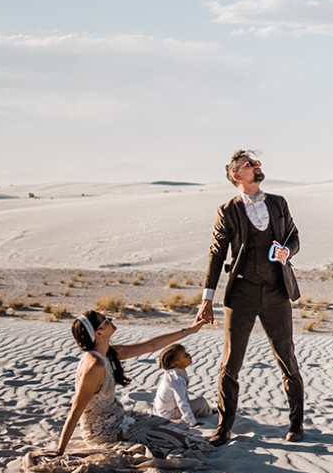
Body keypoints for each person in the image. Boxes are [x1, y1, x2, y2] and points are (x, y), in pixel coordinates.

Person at [198, 148, 305, 445]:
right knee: (230, 363)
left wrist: (287, 251)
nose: (257, 166)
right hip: (242, 293)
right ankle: (223, 427)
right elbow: (216, 255)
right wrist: (207, 299)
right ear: (237, 174)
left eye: (257, 162)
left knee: (287, 357)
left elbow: (294, 236)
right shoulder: (228, 210)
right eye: (249, 164)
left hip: (276, 292)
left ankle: (296, 424)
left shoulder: (278, 203)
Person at [56, 309, 209, 454]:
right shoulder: (95, 366)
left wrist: (190, 330)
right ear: (99, 333)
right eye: (106, 321)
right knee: (184, 443)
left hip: (120, 417)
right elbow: (76, 410)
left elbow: (151, 346)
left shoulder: (109, 353)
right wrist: (60, 451)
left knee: (175, 429)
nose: (111, 320)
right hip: (104, 432)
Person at [152, 343, 212, 429]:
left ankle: (208, 411)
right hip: (169, 414)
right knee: (202, 402)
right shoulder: (176, 379)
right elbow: (181, 402)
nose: (189, 355)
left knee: (197, 403)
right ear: (176, 364)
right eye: (185, 355)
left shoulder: (173, 374)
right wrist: (192, 422)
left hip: (162, 411)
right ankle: (210, 414)